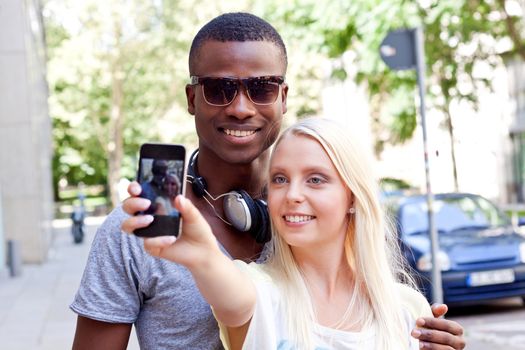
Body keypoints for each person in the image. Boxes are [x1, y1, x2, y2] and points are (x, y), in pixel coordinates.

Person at [71, 12, 465, 349]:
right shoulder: (137, 230)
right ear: (192, 99)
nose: (241, 108)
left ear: (283, 97)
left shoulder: (315, 217)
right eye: (219, 89)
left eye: (261, 88)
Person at [138, 117, 433, 349]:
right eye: (280, 179)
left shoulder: (407, 307)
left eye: (315, 180)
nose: (292, 194)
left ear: (353, 198)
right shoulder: (258, 290)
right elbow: (230, 299)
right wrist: (202, 257)